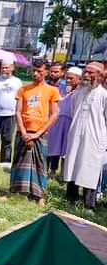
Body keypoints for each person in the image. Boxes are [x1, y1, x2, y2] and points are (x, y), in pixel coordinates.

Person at [10, 60, 60, 207]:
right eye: (33, 70)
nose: (35, 73)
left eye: (39, 71)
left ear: (46, 72)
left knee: (40, 164)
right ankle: (15, 190)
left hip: (40, 133)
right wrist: (24, 132)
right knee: (19, 161)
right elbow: (18, 112)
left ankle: (40, 196)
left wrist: (37, 133)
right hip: (23, 132)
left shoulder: (52, 90)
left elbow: (54, 114)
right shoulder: (23, 90)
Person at [62, 62, 107, 210]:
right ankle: (71, 199)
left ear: (100, 76)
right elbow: (74, 110)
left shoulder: (104, 95)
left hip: (94, 138)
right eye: (85, 72)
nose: (86, 75)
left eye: (91, 73)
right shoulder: (78, 93)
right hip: (76, 135)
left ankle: (89, 205)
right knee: (72, 165)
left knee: (90, 169)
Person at [47, 66, 82, 179]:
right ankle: (51, 170)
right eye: (67, 78)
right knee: (54, 145)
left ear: (78, 78)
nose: (68, 80)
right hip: (58, 120)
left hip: (72, 122)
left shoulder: (82, 91)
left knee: (67, 148)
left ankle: (64, 173)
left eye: (71, 78)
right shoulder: (61, 87)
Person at [0, 59, 23, 165]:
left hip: (11, 114)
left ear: (12, 68)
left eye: (7, 67)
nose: (4, 70)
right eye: (3, 67)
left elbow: (20, 97)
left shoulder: (17, 81)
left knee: (7, 139)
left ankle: (5, 161)